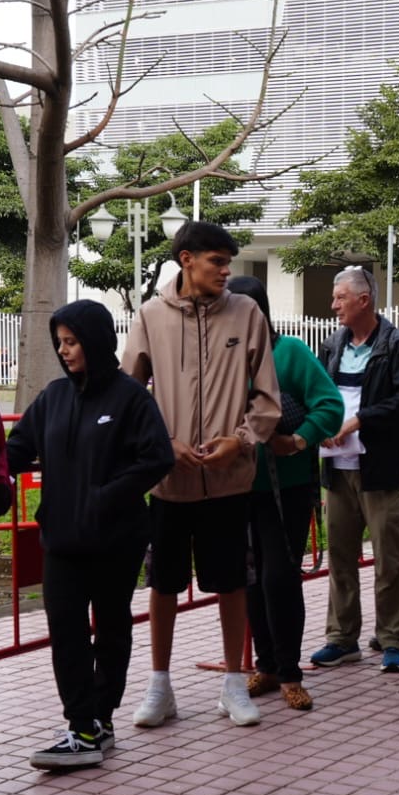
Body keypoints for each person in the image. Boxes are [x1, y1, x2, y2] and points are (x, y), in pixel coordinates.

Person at [121, 221, 281, 728]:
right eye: (217, 261)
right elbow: (129, 397)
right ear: (187, 259)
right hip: (169, 482)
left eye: (228, 262)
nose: (226, 271)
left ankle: (234, 683)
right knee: (163, 585)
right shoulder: (149, 316)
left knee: (232, 582)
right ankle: (160, 687)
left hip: (231, 479)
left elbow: (267, 397)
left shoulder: (247, 312)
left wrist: (241, 437)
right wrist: (162, 445)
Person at [5, 300, 174, 770]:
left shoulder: (131, 398)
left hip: (115, 540)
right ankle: (81, 725)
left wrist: (106, 495)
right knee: (66, 631)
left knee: (112, 629)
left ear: (96, 342)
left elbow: (157, 458)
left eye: (73, 342)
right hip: (61, 538)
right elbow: (17, 450)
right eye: (60, 343)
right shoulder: (54, 397)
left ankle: (101, 718)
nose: (65, 351)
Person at [228, 277, 343, 710]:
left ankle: (291, 672)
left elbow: (329, 405)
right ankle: (268, 666)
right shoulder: (221, 359)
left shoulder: (289, 352)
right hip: (236, 488)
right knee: (251, 580)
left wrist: (297, 441)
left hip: (287, 488)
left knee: (279, 576)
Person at [311, 267, 399, 673]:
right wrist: (323, 426)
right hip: (337, 469)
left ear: (364, 300)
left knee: (390, 559)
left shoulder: (396, 345)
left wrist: (359, 422)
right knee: (340, 556)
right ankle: (341, 638)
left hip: (382, 468)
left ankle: (392, 640)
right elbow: (321, 394)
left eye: (340, 297)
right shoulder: (332, 343)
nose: (334, 304)